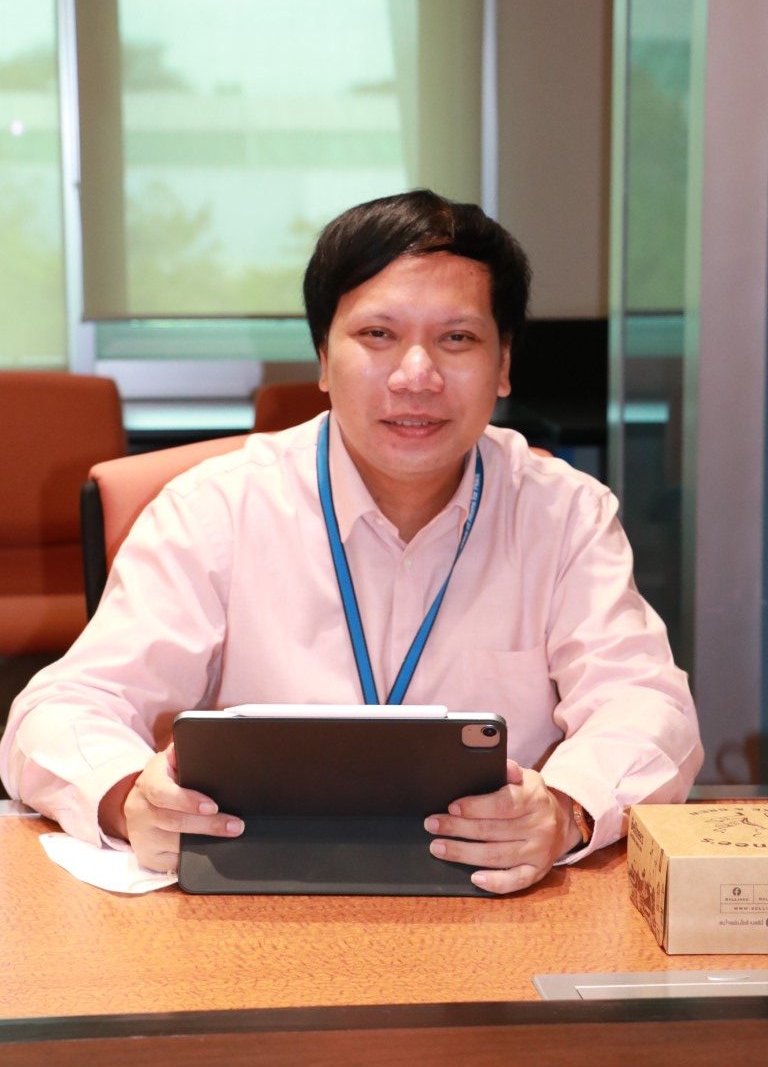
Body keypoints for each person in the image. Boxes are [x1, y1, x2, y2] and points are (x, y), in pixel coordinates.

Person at [0, 189, 703, 893]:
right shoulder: (213, 511)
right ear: (322, 358)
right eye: (377, 335)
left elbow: (648, 706)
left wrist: (565, 811)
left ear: (504, 363)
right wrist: (128, 798)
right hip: (253, 900)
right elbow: (58, 710)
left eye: (457, 339)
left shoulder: (563, 514)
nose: (416, 376)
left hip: (496, 899)